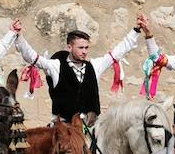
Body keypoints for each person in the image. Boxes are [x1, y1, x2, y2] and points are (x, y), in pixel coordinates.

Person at [16, 14, 154, 122]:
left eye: (86, 48)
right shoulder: (55, 66)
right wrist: (19, 36)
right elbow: (32, 57)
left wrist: (136, 30)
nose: (84, 51)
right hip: (63, 131)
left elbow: (118, 52)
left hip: (90, 129)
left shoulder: (94, 66)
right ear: (69, 47)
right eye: (81, 48)